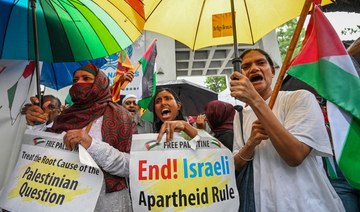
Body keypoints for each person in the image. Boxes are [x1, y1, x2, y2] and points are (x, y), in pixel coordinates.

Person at [230, 48, 345, 211]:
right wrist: (250, 143)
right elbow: (235, 164)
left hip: (308, 204)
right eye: (246, 66)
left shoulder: (299, 98)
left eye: (261, 63)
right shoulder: (240, 116)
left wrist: (255, 100)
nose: (254, 69)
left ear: (272, 71)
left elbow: (295, 156)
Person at [25, 64, 134, 212]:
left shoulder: (121, 116)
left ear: (99, 83)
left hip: (105, 203)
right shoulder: (65, 116)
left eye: (86, 78)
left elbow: (131, 166)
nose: (79, 84)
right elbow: (45, 154)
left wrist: (91, 144)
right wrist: (36, 125)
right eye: (75, 80)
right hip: (67, 197)